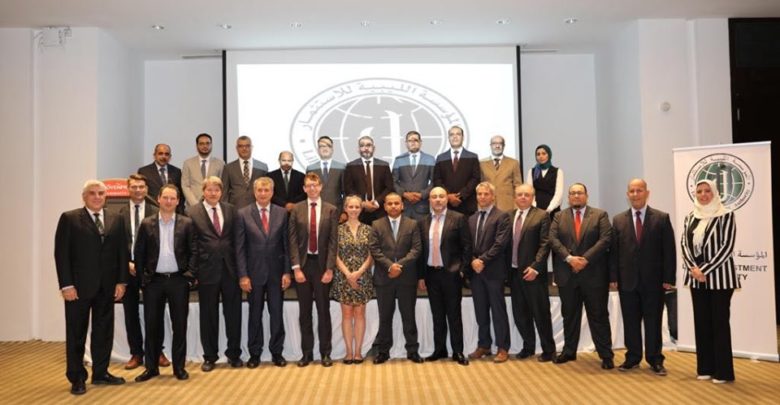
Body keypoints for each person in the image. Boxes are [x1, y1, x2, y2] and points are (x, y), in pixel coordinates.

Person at [54, 180, 128, 395]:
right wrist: (66, 285)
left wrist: (121, 281)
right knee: (76, 333)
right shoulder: (70, 218)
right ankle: (77, 377)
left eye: (101, 193)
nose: (97, 197)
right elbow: (61, 254)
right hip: (78, 288)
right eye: (92, 193)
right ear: (84, 196)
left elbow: (122, 252)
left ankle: (101, 373)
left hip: (107, 287)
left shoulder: (116, 219)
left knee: (103, 332)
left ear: (106, 197)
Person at [610, 179, 676, 376]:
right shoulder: (618, 220)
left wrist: (668, 278)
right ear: (627, 194)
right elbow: (614, 252)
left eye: (639, 190)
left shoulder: (661, 218)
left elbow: (669, 251)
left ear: (647, 193)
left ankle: (655, 359)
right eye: (632, 191)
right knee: (630, 322)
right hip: (627, 281)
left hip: (654, 282)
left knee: (653, 322)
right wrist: (613, 277)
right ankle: (632, 358)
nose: (635, 194)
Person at [134, 184, 197, 382]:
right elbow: (139, 253)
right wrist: (143, 279)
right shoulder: (147, 224)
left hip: (178, 281)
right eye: (165, 198)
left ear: (178, 201)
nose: (169, 201)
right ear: (158, 199)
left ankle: (179, 368)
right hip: (154, 282)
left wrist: (189, 277)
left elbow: (195, 251)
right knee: (152, 325)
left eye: (173, 198)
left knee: (179, 325)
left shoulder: (187, 223)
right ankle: (151, 368)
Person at [549, 183, 614, 369]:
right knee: (570, 316)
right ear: (568, 197)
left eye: (579, 193)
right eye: (573, 193)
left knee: (598, 316)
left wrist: (585, 259)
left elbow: (605, 239)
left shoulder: (600, 215)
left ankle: (606, 355)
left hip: (593, 276)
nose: (576, 196)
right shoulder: (559, 217)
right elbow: (553, 239)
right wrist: (570, 259)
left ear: (586, 195)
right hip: (567, 275)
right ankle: (569, 351)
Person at [681, 179, 739, 384]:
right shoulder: (690, 217)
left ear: (714, 193)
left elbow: (727, 246)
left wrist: (704, 269)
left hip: (720, 278)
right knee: (702, 322)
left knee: (719, 323)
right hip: (697, 279)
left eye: (707, 191)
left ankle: (723, 372)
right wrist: (694, 269)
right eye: (699, 191)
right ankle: (705, 368)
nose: (703, 195)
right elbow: (684, 245)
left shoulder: (726, 215)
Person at [185, 176, 242, 371]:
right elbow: (190, 244)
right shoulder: (192, 212)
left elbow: (237, 240)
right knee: (208, 315)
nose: (213, 193)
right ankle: (210, 356)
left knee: (233, 314)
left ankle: (234, 354)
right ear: (203, 191)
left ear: (221, 192)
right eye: (209, 189)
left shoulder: (231, 210)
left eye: (216, 190)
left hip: (230, 270)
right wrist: (193, 272)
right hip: (206, 270)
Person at [236, 177, 292, 368]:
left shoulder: (282, 213)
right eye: (259, 190)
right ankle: (254, 353)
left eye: (266, 190)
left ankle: (277, 352)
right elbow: (240, 248)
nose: (263, 193)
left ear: (272, 192)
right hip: (253, 275)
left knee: (276, 314)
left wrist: (287, 272)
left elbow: (286, 245)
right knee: (254, 315)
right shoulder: (243, 214)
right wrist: (243, 275)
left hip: (277, 274)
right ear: (254, 192)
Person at [117, 174, 169, 370]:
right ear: (128, 189)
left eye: (141, 187)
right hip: (128, 270)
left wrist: (146, 265)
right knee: (131, 313)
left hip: (151, 271)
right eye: (134, 187)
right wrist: (127, 263)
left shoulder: (156, 212)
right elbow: (117, 244)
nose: (138, 190)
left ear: (147, 190)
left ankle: (157, 351)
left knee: (155, 313)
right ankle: (136, 353)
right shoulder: (119, 214)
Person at [289, 172, 339, 367]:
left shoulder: (331, 209)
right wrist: (296, 268)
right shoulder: (296, 209)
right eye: (308, 185)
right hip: (302, 266)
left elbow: (334, 242)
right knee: (305, 312)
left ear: (320, 187)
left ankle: (325, 353)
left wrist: (330, 269)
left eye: (315, 185)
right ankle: (307, 353)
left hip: (322, 266)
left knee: (323, 311)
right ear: (304, 188)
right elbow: (292, 240)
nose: (312, 188)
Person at [418, 186, 472, 366]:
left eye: (441, 196)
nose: (438, 200)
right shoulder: (423, 222)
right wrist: (421, 276)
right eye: (434, 197)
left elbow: (467, 247)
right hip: (431, 274)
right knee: (437, 315)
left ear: (447, 199)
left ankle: (458, 351)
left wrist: (462, 270)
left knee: (454, 314)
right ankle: (439, 349)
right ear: (429, 200)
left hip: (451, 274)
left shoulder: (458, 218)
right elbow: (421, 251)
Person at [369, 193, 423, 364]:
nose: (393, 206)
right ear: (385, 206)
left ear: (402, 205)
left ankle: (412, 350)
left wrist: (398, 266)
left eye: (396, 203)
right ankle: (383, 351)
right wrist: (389, 266)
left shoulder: (412, 224)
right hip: (384, 278)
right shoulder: (376, 224)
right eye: (390, 203)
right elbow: (374, 249)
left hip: (406, 277)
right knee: (385, 317)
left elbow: (416, 249)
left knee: (409, 316)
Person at [508, 184, 556, 362]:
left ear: (532, 197)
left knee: (540, 313)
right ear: (515, 197)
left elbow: (545, 244)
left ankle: (549, 350)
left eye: (526, 195)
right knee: (520, 314)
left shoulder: (542, 216)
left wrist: (536, 267)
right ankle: (528, 347)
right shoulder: (509, 216)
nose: (522, 197)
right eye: (519, 194)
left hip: (533, 273)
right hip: (514, 273)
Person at [467, 182, 511, 363]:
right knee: (481, 311)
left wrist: (482, 260)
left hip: (493, 271)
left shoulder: (502, 216)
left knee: (498, 311)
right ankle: (484, 345)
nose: (482, 197)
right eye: (479, 194)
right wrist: (472, 260)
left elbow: (500, 244)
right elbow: (467, 245)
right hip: (476, 272)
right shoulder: (472, 218)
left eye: (486, 194)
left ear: (493, 196)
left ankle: (502, 347)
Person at [331, 195, 375, 364]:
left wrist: (358, 273)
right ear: (345, 208)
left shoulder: (369, 230)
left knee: (360, 314)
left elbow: (371, 255)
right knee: (347, 314)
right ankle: (349, 352)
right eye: (351, 207)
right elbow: (334, 255)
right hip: (343, 277)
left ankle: (358, 352)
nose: (354, 210)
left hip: (363, 277)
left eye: (357, 207)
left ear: (361, 209)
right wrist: (348, 274)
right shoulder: (338, 230)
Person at [343, 135, 395, 224]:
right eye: (362, 145)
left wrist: (377, 202)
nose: (366, 148)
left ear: (373, 148)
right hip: (359, 212)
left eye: (368, 145)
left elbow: (389, 187)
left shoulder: (384, 165)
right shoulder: (351, 166)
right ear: (358, 149)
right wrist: (362, 203)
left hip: (380, 211)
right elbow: (348, 188)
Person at [433, 126, 481, 216]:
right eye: (452, 134)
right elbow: (437, 179)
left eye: (458, 134)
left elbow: (475, 178)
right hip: (446, 205)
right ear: (448, 138)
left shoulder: (473, 157)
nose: (455, 137)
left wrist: (461, 195)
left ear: (463, 137)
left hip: (467, 205)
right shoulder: (440, 158)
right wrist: (448, 195)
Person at [392, 130, 435, 220]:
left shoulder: (430, 159)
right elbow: (393, 181)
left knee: (422, 229)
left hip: (422, 206)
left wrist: (422, 194)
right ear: (406, 143)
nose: (413, 143)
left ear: (420, 142)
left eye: (415, 140)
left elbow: (434, 181)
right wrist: (404, 194)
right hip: (404, 206)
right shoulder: (399, 159)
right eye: (410, 140)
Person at [221, 135, 270, 209]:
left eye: (247, 146)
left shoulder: (262, 167)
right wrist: (225, 210)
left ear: (252, 147)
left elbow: (267, 191)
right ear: (237, 148)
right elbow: (224, 192)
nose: (244, 148)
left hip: (257, 209)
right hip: (235, 209)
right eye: (241, 146)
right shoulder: (228, 168)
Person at [479, 135, 522, 212]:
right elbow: (480, 186)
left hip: (507, 205)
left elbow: (518, 186)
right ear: (490, 146)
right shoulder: (482, 164)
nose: (497, 146)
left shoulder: (513, 163)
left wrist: (517, 205)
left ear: (504, 146)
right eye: (494, 143)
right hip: (488, 205)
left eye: (500, 143)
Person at [181, 133, 225, 207]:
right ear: (197, 146)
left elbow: (222, 185)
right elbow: (185, 186)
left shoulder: (220, 163)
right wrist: (195, 204)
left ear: (211, 145)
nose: (205, 146)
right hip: (193, 206)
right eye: (201, 144)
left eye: (207, 143)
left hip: (213, 205)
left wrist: (213, 201)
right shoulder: (188, 163)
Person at [138, 143, 184, 212]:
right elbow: (142, 193)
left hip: (172, 211)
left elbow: (181, 195)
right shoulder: (144, 171)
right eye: (160, 153)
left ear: (170, 156)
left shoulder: (177, 171)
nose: (163, 156)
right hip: (151, 211)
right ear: (154, 155)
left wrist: (180, 211)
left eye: (166, 154)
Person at [306, 135, 346, 209]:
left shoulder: (342, 167)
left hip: (337, 209)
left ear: (332, 149)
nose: (325, 148)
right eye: (322, 146)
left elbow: (345, 192)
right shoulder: (311, 168)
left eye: (328, 146)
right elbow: (308, 191)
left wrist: (344, 211)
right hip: (316, 208)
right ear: (318, 149)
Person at [525, 144, 564, 216]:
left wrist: (549, 209)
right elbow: (530, 192)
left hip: (553, 210)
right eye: (538, 154)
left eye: (544, 153)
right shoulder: (532, 171)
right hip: (536, 211)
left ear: (549, 155)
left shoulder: (558, 171)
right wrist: (535, 208)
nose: (541, 156)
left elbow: (559, 194)